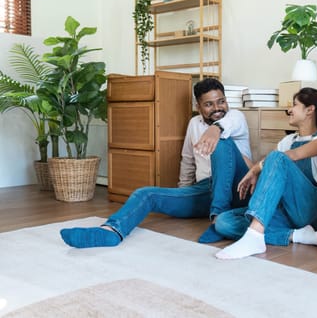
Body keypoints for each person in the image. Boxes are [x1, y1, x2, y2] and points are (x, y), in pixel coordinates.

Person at [60, 78, 252, 248]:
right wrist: (183, 191)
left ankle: (217, 217)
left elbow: (230, 124)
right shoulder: (194, 124)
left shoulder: (236, 118)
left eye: (221, 101)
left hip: (238, 188)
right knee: (145, 194)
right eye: (209, 104)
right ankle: (111, 232)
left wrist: (215, 129)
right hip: (205, 189)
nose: (218, 108)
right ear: (198, 106)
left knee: (223, 142)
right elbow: (187, 160)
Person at [214, 87, 317, 260]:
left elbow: (294, 155)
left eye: (294, 105)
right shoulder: (288, 141)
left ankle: (254, 236)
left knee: (277, 157)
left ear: (310, 110)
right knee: (224, 222)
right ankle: (297, 235)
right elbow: (273, 163)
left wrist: (255, 169)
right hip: (290, 212)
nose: (289, 110)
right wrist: (257, 169)